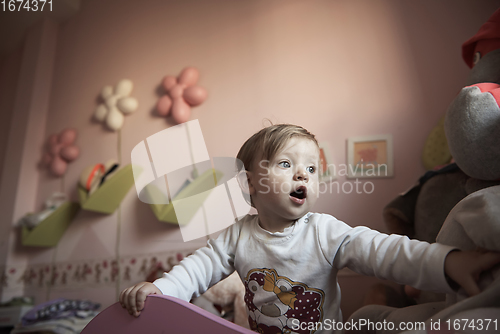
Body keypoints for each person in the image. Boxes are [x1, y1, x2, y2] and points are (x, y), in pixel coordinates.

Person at [120, 124, 500, 333]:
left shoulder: (324, 231)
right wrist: (161, 290)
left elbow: (384, 252)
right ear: (249, 183)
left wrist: (449, 263)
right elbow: (196, 269)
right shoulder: (235, 236)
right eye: (286, 164)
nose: (303, 173)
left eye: (312, 169)